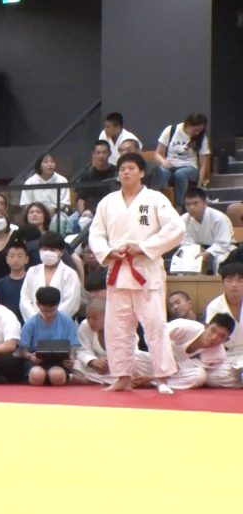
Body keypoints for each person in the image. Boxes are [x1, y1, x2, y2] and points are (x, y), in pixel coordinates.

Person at [88, 152, 185, 391]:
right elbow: (96, 234)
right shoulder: (108, 202)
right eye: (122, 169)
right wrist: (108, 252)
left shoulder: (154, 199)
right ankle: (122, 377)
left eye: (131, 168)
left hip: (145, 271)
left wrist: (143, 247)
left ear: (141, 172)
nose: (126, 172)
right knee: (117, 327)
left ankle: (162, 377)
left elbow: (177, 228)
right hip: (118, 270)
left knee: (155, 325)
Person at [73, 299, 151, 386]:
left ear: (107, 317)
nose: (90, 321)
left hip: (121, 363)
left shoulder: (122, 325)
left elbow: (131, 351)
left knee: (139, 358)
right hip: (98, 367)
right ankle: (106, 379)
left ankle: (94, 380)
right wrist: (93, 361)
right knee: (77, 364)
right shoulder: (85, 325)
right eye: (88, 317)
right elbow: (82, 349)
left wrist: (111, 362)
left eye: (94, 318)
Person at [17, 287, 79, 386]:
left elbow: (72, 344)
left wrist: (71, 358)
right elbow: (22, 350)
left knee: (57, 376)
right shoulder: (31, 323)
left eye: (52, 310)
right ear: (37, 305)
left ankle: (59, 378)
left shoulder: (66, 321)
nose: (49, 314)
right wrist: (30, 356)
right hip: (37, 361)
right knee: (37, 375)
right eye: (45, 311)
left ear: (58, 305)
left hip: (59, 360)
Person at [162, 315, 235, 390]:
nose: (214, 337)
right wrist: (168, 358)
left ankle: (157, 382)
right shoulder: (185, 327)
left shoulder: (218, 355)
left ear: (226, 340)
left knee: (200, 376)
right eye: (212, 330)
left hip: (174, 371)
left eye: (221, 336)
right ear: (206, 326)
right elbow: (157, 336)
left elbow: (185, 368)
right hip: (158, 359)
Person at [20, 232, 81, 320]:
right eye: (45, 249)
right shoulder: (32, 271)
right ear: (40, 250)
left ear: (61, 252)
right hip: (34, 322)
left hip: (61, 325)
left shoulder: (69, 274)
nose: (48, 252)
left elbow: (71, 302)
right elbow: (24, 299)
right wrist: (36, 318)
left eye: (52, 250)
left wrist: (51, 318)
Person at [154, 112, 210, 208]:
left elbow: (203, 164)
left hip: (190, 167)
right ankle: (157, 203)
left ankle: (181, 205)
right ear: (187, 125)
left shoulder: (201, 138)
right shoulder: (171, 130)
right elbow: (157, 154)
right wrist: (163, 162)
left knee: (180, 174)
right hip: (170, 165)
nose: (197, 133)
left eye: (200, 131)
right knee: (161, 172)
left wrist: (200, 185)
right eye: (195, 130)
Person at [203, 262, 243, 388]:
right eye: (229, 280)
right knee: (209, 377)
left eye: (240, 280)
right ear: (223, 283)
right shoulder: (214, 306)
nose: (234, 285)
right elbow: (210, 338)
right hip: (227, 355)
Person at [181, 188, 232, 272]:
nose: (191, 207)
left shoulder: (219, 218)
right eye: (188, 204)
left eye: (195, 203)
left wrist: (207, 253)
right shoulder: (184, 219)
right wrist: (195, 250)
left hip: (223, 251)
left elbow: (223, 243)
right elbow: (186, 241)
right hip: (198, 250)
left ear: (205, 203)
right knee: (184, 257)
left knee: (220, 260)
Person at [0, 242, 29, 323]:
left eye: (20, 256)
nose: (15, 260)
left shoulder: (33, 281)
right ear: (6, 259)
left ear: (26, 259)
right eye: (12, 256)